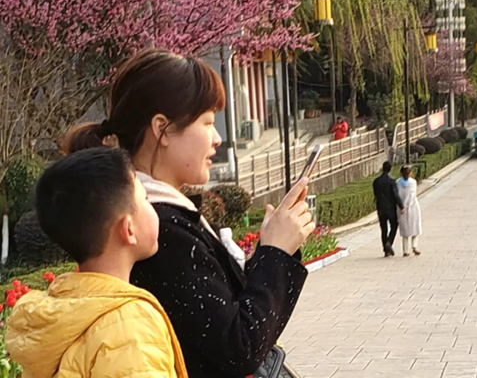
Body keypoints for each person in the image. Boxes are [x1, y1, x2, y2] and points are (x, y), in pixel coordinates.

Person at [63, 49, 314, 378]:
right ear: (163, 129)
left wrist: (276, 246)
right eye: (207, 122)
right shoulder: (158, 231)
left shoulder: (164, 215)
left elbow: (224, 316)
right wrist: (275, 253)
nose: (217, 138)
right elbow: (238, 347)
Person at [6, 148, 187, 378]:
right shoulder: (131, 324)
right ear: (128, 229)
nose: (155, 209)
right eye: (145, 199)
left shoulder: (56, 309)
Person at [373, 161, 404, 257]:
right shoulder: (391, 181)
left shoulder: (376, 181)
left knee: (384, 229)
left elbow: (376, 194)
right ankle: (389, 242)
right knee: (394, 225)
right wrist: (401, 206)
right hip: (390, 208)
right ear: (390, 169)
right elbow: (395, 195)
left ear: (382, 168)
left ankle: (386, 250)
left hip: (380, 207)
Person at [396, 165, 422, 257]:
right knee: (414, 227)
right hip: (412, 206)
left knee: (406, 229)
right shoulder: (413, 182)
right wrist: (407, 205)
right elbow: (412, 195)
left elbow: (397, 195)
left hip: (401, 208)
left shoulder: (398, 182)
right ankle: (414, 246)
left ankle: (406, 250)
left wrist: (402, 206)